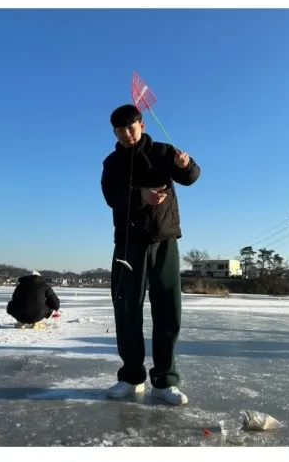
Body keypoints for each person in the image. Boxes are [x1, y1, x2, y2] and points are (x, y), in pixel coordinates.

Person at [99, 104, 201, 406]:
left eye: (130, 128)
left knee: (168, 310)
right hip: (128, 243)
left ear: (141, 125)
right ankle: (131, 377)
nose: (126, 135)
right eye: (119, 131)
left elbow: (191, 177)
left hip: (164, 240)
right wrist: (140, 196)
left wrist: (186, 164)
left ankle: (165, 380)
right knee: (127, 309)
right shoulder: (112, 162)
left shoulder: (163, 151)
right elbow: (111, 197)